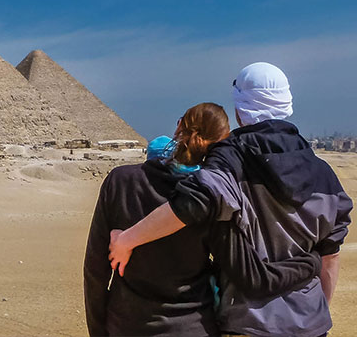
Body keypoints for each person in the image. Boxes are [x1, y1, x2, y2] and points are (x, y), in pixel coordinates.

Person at [108, 63, 353, 337]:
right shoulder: (324, 174)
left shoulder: (232, 157)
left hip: (249, 323)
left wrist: (127, 239)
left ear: (240, 109)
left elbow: (190, 206)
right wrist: (317, 312)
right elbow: (330, 256)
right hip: (311, 323)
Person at [85, 102, 321, 336]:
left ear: (179, 128)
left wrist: (99, 330)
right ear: (222, 144)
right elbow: (247, 274)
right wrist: (312, 263)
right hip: (192, 326)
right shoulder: (215, 199)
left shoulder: (119, 181)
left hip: (126, 324)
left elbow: (95, 269)